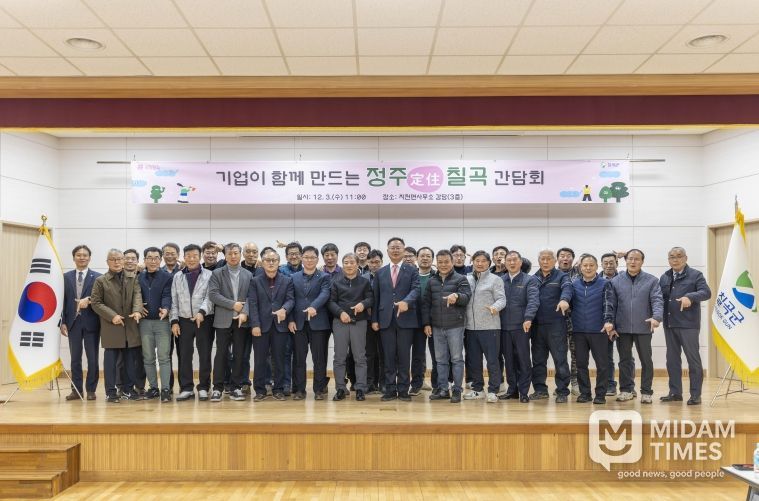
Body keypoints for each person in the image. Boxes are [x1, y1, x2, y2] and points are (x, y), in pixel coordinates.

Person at [604, 249, 664, 404]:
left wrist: (657, 317)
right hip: (622, 328)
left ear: (642, 262)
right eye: (630, 258)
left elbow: (657, 300)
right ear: (625, 261)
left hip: (644, 327)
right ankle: (626, 390)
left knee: (646, 360)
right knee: (624, 360)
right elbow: (611, 304)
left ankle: (646, 392)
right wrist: (611, 324)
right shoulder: (615, 281)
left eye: (637, 259)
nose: (633, 262)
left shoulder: (652, 280)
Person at [659, 247, 711, 405]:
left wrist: (690, 296)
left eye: (679, 256)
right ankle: (675, 393)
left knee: (693, 360)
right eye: (672, 257)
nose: (675, 259)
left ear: (686, 258)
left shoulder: (696, 275)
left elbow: (706, 292)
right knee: (672, 360)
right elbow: (659, 298)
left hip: (688, 325)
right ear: (668, 260)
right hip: (670, 324)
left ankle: (695, 395)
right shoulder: (665, 277)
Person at [90, 249, 143, 403]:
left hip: (129, 325)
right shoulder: (101, 280)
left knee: (129, 361)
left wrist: (137, 310)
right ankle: (110, 392)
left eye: (119, 259)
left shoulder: (133, 277)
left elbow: (137, 295)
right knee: (111, 362)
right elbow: (96, 302)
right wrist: (112, 316)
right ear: (107, 262)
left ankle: (127, 389)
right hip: (111, 325)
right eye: (113, 259)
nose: (117, 262)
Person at [372, 237, 420, 402]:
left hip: (406, 319)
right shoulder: (380, 272)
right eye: (392, 247)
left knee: (404, 356)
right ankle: (390, 389)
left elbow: (416, 289)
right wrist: (374, 319)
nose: (395, 250)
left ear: (404, 250)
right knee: (388, 356)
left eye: (398, 247)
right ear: (387, 251)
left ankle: (404, 389)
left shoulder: (412, 270)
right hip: (385, 320)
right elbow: (376, 297)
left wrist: (407, 301)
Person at [421, 249, 471, 403]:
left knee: (456, 359)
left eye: (446, 262)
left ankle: (457, 390)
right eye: (440, 262)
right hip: (436, 326)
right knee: (440, 360)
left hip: (455, 326)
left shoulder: (461, 279)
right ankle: (443, 389)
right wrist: (426, 323)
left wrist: (457, 296)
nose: (443, 265)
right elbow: (426, 304)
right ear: (436, 263)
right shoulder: (432, 281)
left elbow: (466, 297)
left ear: (452, 262)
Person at [207, 243, 253, 402]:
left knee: (239, 355)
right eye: (230, 253)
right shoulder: (217, 273)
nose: (233, 256)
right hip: (223, 320)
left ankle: (236, 387)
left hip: (241, 321)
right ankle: (218, 388)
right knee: (221, 354)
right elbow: (213, 295)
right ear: (225, 256)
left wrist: (245, 312)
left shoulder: (248, 274)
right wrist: (233, 305)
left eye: (236, 253)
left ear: (240, 254)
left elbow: (251, 297)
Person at [170, 244, 214, 402]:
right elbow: (174, 301)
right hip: (183, 320)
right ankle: (186, 388)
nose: (191, 259)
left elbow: (210, 297)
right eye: (188, 256)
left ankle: (203, 387)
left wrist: (202, 312)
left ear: (200, 257)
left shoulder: (209, 275)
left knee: (205, 354)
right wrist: (174, 321)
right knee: (184, 355)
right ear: (184, 257)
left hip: (204, 320)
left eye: (195, 256)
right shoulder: (178, 276)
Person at [249, 249, 295, 401]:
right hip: (261, 326)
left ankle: (278, 389)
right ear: (262, 263)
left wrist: (284, 309)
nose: (270, 263)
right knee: (260, 360)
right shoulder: (255, 281)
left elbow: (291, 300)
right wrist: (255, 324)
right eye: (267, 260)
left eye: (274, 260)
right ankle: (260, 390)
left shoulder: (287, 280)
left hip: (280, 326)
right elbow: (253, 304)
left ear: (278, 262)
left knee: (279, 359)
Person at [328, 253, 374, 401]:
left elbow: (370, 298)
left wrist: (363, 304)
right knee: (339, 357)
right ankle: (340, 388)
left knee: (360, 357)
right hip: (340, 322)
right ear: (342, 265)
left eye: (352, 262)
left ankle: (360, 388)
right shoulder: (335, 282)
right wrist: (340, 313)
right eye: (346, 262)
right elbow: (331, 302)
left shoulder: (364, 282)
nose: (349, 265)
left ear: (357, 264)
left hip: (359, 322)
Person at [288, 245, 331, 400]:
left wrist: (314, 306)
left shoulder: (325, 277)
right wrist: (290, 320)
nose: (309, 260)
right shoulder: (293, 277)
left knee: (319, 359)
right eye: (306, 257)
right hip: (298, 323)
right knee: (299, 359)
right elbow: (290, 299)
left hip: (318, 323)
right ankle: (300, 390)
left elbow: (325, 293)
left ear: (317, 259)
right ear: (301, 258)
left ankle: (319, 390)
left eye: (312, 257)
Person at [530, 249, 573, 403]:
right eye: (542, 259)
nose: (545, 261)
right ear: (539, 261)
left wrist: (564, 299)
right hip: (537, 326)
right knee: (538, 360)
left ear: (555, 261)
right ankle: (540, 390)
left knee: (560, 360)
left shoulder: (562, 276)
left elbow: (568, 288)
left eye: (549, 258)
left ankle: (562, 391)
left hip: (556, 325)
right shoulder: (533, 278)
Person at [463, 250, 506, 403]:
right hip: (470, 328)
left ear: (489, 263)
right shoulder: (466, 279)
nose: (480, 263)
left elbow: (502, 299)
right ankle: (478, 389)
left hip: (490, 327)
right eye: (477, 261)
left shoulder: (495, 280)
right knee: (474, 361)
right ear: (472, 262)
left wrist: (495, 307)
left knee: (492, 361)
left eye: (483, 261)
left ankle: (493, 390)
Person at [60, 245, 101, 401]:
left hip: (92, 322)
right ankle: (76, 391)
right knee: (75, 359)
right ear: (74, 257)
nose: (82, 257)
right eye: (78, 255)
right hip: (73, 323)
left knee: (92, 358)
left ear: (89, 258)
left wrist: (88, 300)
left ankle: (91, 390)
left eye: (85, 255)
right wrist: (63, 321)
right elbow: (62, 301)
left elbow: (101, 299)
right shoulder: (65, 277)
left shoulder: (98, 277)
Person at [498, 250, 538, 404]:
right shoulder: (500, 280)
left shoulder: (529, 280)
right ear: (505, 263)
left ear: (521, 262)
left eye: (515, 260)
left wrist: (528, 318)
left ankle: (524, 392)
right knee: (509, 360)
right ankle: (512, 390)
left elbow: (533, 300)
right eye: (509, 260)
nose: (512, 263)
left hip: (522, 327)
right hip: (503, 327)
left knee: (523, 359)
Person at [570, 254, 611, 405]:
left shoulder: (605, 283)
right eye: (585, 265)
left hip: (599, 331)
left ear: (596, 267)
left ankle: (600, 394)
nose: (588, 268)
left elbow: (609, 304)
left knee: (602, 365)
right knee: (581, 364)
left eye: (591, 265)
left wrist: (608, 321)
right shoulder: (574, 284)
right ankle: (585, 393)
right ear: (580, 267)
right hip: (579, 331)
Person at [137, 246, 173, 402]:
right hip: (144, 323)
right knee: (148, 357)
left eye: (156, 258)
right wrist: (138, 307)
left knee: (164, 357)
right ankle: (153, 388)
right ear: (144, 260)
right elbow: (135, 296)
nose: (153, 261)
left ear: (161, 259)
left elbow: (167, 295)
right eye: (149, 258)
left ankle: (165, 389)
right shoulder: (139, 277)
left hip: (162, 322)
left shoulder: (167, 277)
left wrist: (166, 308)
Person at [410, 246, 434, 395]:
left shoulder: (438, 276)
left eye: (428, 256)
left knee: (437, 355)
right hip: (414, 321)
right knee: (418, 354)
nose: (425, 258)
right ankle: (417, 383)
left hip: (435, 321)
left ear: (432, 259)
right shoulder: (410, 275)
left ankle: (438, 385)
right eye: (422, 256)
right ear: (416, 259)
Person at [557, 246, 580, 397]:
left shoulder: (580, 274)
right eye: (562, 256)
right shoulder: (552, 274)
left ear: (573, 258)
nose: (565, 258)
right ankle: (562, 385)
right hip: (557, 322)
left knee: (576, 354)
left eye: (568, 256)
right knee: (559, 355)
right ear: (557, 259)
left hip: (576, 321)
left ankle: (575, 382)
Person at [600, 252, 622, 396]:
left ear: (617, 263)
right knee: (606, 357)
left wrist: (625, 254)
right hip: (604, 324)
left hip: (622, 323)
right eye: (605, 263)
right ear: (601, 265)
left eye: (611, 262)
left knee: (626, 357)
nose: (608, 265)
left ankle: (628, 386)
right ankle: (609, 385)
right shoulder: (596, 279)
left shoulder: (624, 279)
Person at [363, 249, 384, 393]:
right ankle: (369, 383)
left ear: (382, 262)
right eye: (371, 262)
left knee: (384, 353)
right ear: (367, 263)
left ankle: (383, 383)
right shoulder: (362, 278)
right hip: (367, 320)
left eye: (377, 262)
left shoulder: (387, 276)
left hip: (384, 320)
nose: (374, 265)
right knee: (369, 353)